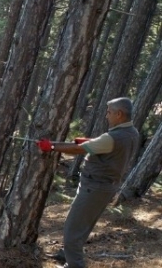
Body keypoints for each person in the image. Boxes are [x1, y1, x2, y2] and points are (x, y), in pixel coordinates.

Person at [36, 97, 139, 268]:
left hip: (95, 187)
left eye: (109, 112)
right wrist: (90, 142)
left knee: (71, 233)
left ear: (119, 114)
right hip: (104, 187)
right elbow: (102, 145)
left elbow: (78, 150)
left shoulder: (112, 137)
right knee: (81, 229)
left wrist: (52, 147)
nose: (107, 116)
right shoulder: (132, 132)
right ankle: (68, 260)